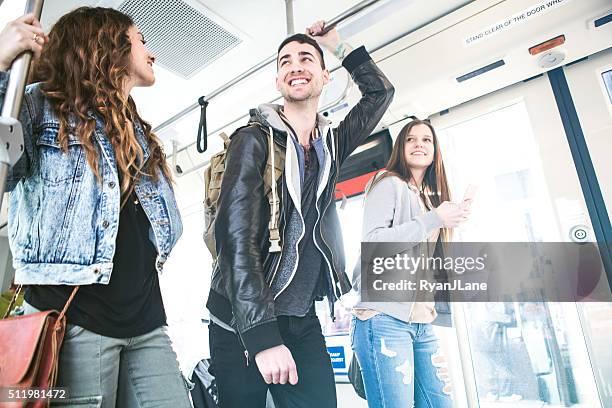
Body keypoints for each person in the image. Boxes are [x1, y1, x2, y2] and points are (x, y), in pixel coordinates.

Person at [0, 8, 190, 408]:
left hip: (146, 317)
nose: (151, 53)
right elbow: (3, 163)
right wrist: (2, 66)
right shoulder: (41, 106)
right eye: (141, 40)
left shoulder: (132, 124)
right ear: (109, 47)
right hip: (78, 318)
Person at [206, 20, 394, 408]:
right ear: (278, 81)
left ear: (325, 77)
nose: (296, 66)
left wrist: (338, 45)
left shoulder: (332, 144)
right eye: (285, 61)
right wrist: (260, 335)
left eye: (306, 58)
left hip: (301, 316)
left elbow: (380, 93)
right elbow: (235, 239)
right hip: (242, 320)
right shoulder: (252, 140)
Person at [350, 119, 469, 407]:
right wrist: (434, 219)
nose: (419, 144)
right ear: (400, 148)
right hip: (383, 318)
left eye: (426, 140)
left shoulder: (427, 199)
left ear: (435, 149)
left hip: (421, 322)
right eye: (411, 139)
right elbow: (374, 244)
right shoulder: (388, 182)